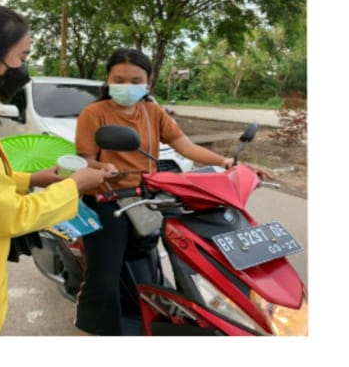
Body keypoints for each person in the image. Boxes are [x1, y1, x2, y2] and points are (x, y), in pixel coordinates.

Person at [0, 0, 117, 336]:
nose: (24, 68)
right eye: (22, 57)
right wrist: (75, 184)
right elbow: (7, 215)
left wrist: (30, 178)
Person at [72, 47, 272, 334]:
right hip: (107, 199)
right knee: (103, 276)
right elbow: (86, 158)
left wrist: (226, 162)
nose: (126, 86)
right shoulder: (94, 113)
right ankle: (91, 330)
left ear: (148, 81)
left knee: (173, 253)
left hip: (147, 196)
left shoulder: (153, 111)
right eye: (119, 80)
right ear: (108, 80)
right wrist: (100, 168)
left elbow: (185, 146)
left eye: (134, 80)